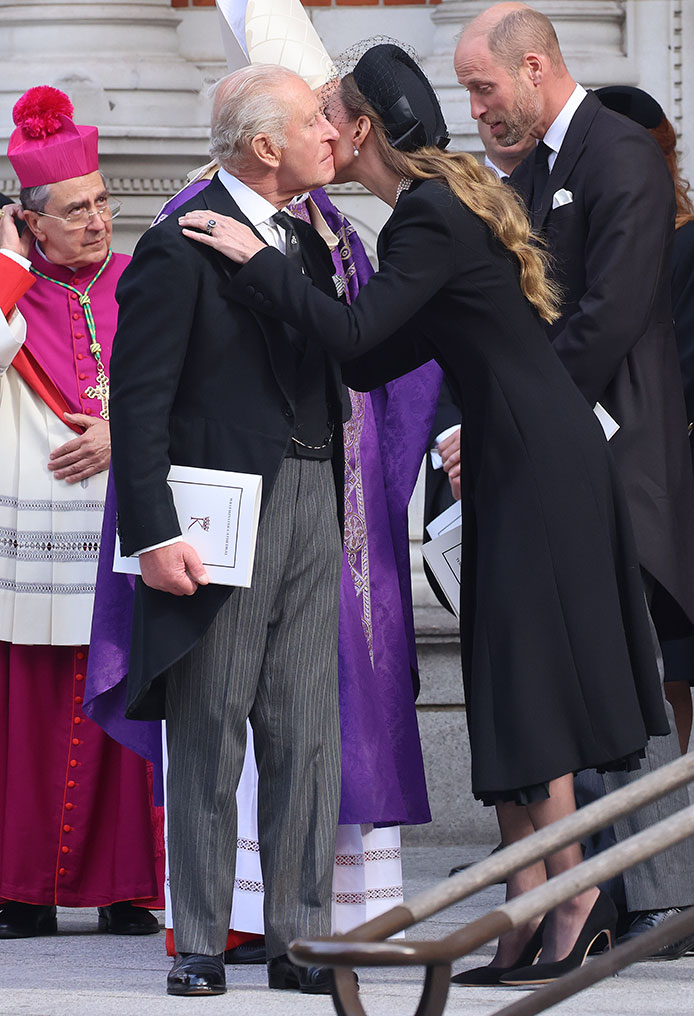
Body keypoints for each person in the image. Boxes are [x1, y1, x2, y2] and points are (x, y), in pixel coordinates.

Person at [178, 41, 670, 988]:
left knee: (530, 684)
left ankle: (570, 898)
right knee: (505, 680)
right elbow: (367, 362)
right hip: (516, 452)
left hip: (538, 461)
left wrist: (256, 260)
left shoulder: (429, 216)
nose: (318, 128)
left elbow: (360, 338)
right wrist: (306, 276)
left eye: (330, 114)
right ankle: (530, 904)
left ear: (361, 131)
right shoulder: (431, 210)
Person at [454, 1, 694, 960]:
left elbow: (610, 316)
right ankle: (580, 898)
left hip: (615, 465)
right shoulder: (541, 167)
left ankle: (624, 903)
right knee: (570, 684)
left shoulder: (616, 153)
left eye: (484, 87)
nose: (477, 109)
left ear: (535, 65)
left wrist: (515, 419)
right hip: (557, 459)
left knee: (615, 688)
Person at [109, 65, 353, 998]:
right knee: (209, 728)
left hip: (309, 499)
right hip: (218, 518)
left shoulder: (319, 238)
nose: (331, 134)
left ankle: (299, 941)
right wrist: (153, 532)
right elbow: (138, 405)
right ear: (264, 146)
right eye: (312, 122)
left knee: (305, 731)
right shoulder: (177, 244)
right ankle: (203, 941)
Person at [0, 88, 163, 939]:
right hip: (33, 541)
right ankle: (21, 888)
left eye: (104, 202)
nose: (99, 222)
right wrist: (7, 258)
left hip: (122, 525)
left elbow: (188, 382)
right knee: (29, 716)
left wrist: (120, 433)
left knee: (120, 704)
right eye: (76, 210)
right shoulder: (11, 290)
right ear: (31, 224)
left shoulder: (141, 281)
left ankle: (124, 886)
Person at [594, 84, 694, 759]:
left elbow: (681, 367)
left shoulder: (687, 246)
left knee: (668, 656)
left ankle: (665, 836)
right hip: (622, 462)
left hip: (671, 473)